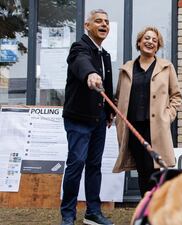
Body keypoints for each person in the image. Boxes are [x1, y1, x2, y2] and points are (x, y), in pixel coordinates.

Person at [112, 26, 182, 197]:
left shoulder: (166, 67)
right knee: (143, 171)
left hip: (156, 128)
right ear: (139, 42)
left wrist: (168, 116)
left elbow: (176, 96)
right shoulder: (126, 69)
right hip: (134, 128)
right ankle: (146, 209)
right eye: (147, 38)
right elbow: (118, 97)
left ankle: (154, 210)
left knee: (154, 169)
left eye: (154, 40)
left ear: (158, 46)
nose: (150, 42)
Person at [61, 9, 114, 225]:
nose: (104, 25)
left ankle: (93, 211)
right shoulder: (79, 48)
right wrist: (90, 74)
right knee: (76, 164)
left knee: (94, 165)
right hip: (79, 118)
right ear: (87, 25)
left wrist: (109, 111)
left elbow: (107, 86)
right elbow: (81, 62)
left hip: (99, 118)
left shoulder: (105, 54)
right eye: (98, 21)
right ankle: (68, 214)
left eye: (107, 22)